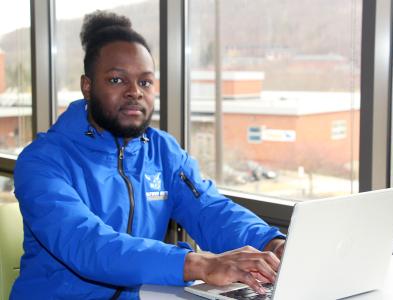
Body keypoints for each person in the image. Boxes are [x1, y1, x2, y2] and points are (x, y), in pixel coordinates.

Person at [10, 10, 285, 300]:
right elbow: (88, 245)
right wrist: (198, 263)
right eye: (117, 80)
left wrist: (271, 242)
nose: (135, 92)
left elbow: (209, 209)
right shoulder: (42, 161)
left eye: (145, 82)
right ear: (87, 87)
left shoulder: (162, 151)